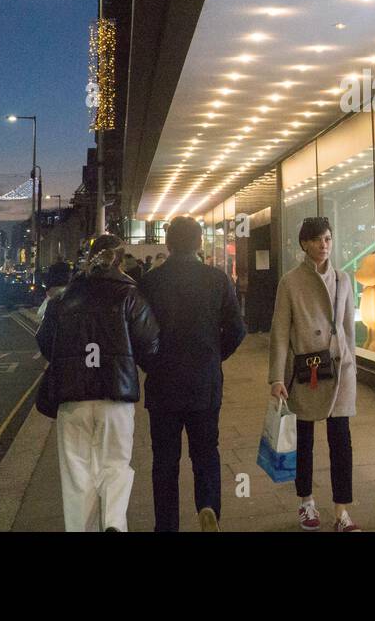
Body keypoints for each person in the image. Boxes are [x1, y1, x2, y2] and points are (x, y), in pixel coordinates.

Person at [35, 234, 159, 532]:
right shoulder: (130, 295)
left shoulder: (63, 298)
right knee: (115, 465)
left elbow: (46, 344)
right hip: (116, 396)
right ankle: (114, 523)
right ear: (120, 260)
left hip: (72, 398)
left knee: (77, 475)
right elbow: (151, 345)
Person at [138, 217, 246, 532]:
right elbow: (237, 330)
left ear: (168, 244)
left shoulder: (150, 281)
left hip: (163, 385)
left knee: (165, 462)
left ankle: (167, 525)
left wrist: (152, 362)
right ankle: (208, 506)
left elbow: (140, 335)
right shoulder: (217, 279)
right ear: (199, 243)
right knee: (206, 453)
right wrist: (214, 355)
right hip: (204, 382)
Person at [268, 217, 361, 532]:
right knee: (304, 440)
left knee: (341, 443)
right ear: (304, 243)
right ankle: (306, 502)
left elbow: (349, 329)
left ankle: (341, 512)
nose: (324, 245)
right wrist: (276, 378)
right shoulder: (290, 282)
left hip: (338, 369)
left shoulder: (344, 280)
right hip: (305, 371)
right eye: (318, 239)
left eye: (328, 239)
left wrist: (350, 364)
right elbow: (280, 333)